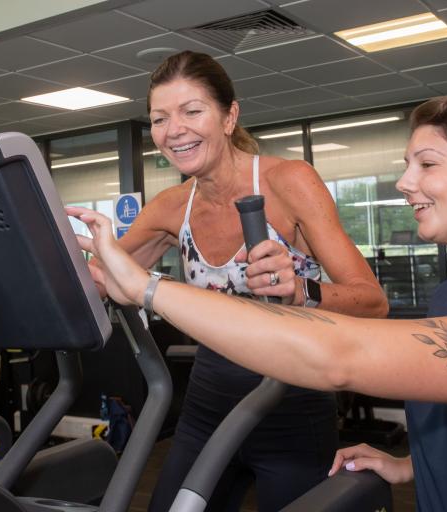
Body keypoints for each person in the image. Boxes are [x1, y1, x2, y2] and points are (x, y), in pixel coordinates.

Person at [68, 93, 447, 511]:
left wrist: (148, 289)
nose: (403, 182)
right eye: (406, 164)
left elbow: (338, 356)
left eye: (426, 165)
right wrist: (409, 466)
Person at [94, 50, 389, 511]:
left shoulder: (288, 182)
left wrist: (300, 291)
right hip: (208, 404)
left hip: (293, 404)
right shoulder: (172, 207)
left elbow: (372, 301)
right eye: (159, 118)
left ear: (229, 116)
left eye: (192, 111)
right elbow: (103, 274)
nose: (174, 130)